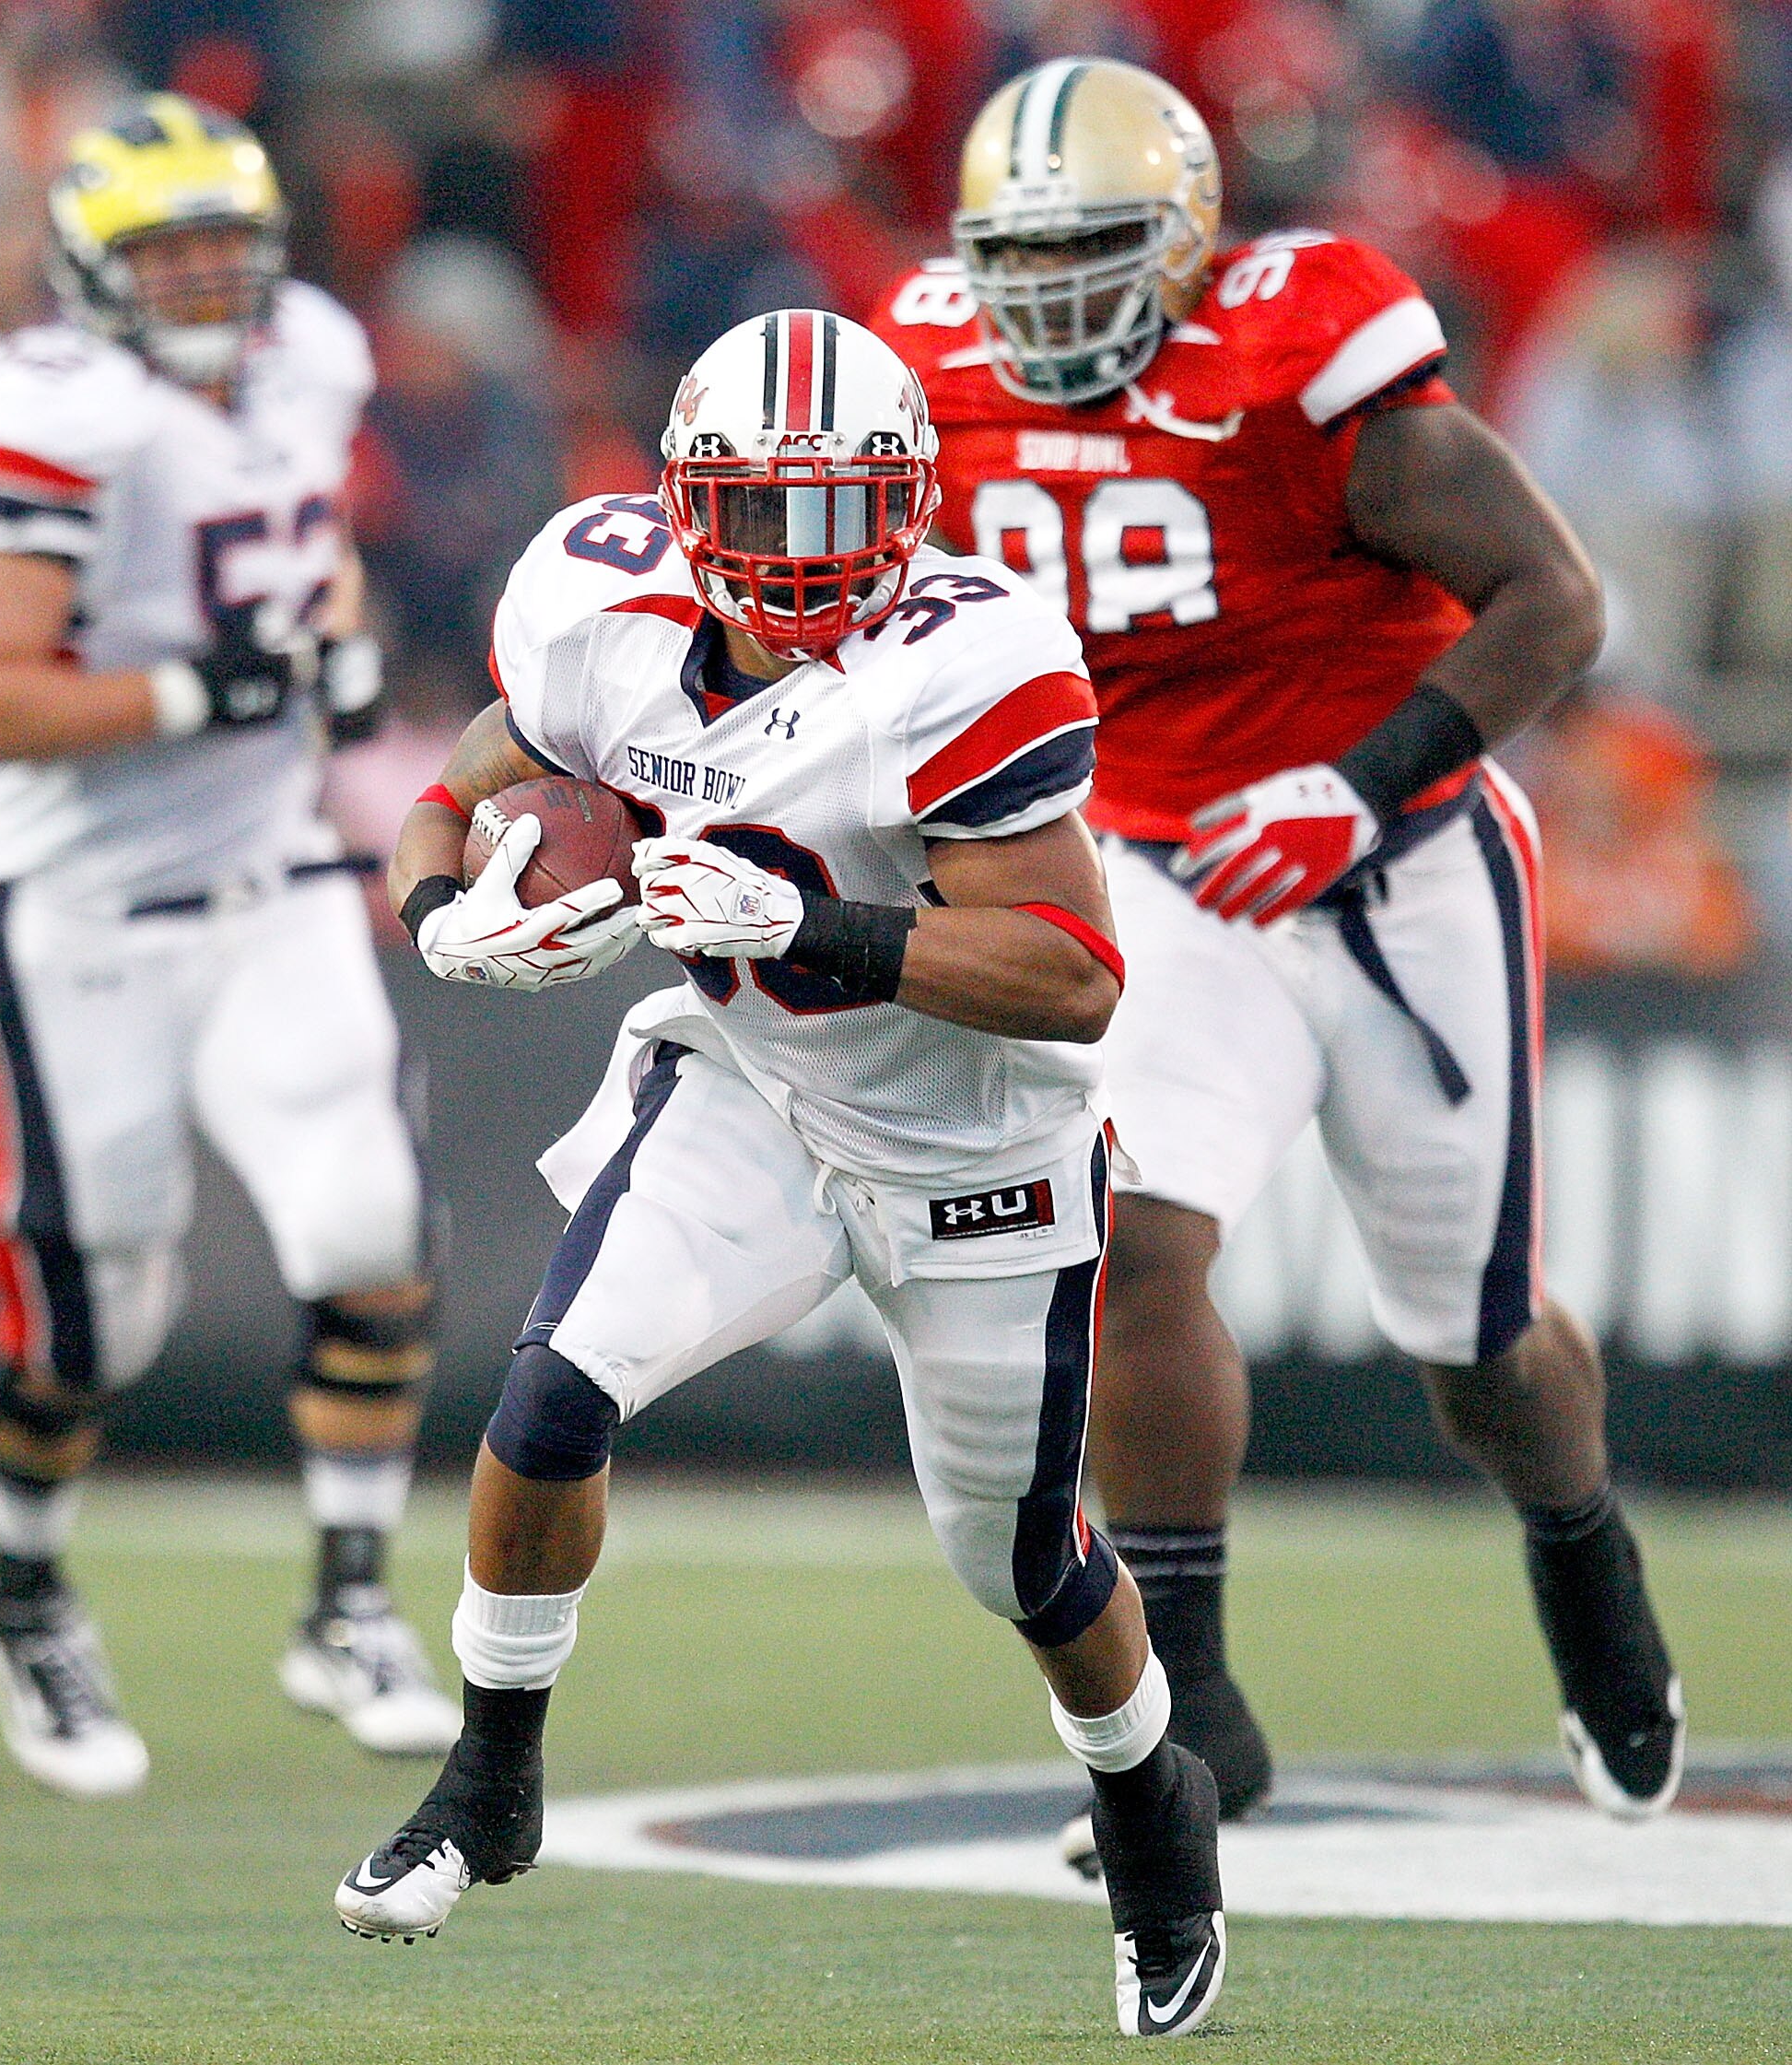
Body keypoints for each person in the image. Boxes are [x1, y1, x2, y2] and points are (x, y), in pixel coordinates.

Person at [338, 310, 1228, 2042]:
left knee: (1027, 1561)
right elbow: (448, 798)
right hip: (753, 1081)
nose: (803, 557)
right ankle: (491, 1769)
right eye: (765, 511)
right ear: (682, 504)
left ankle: (1151, 1798)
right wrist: (448, 921)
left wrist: (822, 922)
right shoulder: (601, 616)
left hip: (976, 1138)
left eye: (842, 513)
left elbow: (1074, 972)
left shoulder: (967, 662)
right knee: (547, 1399)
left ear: (908, 503)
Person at [869, 57, 1681, 1844]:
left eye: (1086, 251)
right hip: (1161, 868)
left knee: (1473, 1347)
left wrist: (1363, 779)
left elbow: (1554, 597)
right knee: (1134, 1236)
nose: (1044, 296)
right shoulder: (924, 370)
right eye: (1014, 257)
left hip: (1396, 860)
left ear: (1185, 239)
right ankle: (1203, 1705)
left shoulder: (1303, 354)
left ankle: (1581, 1547)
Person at [0, 94, 452, 1801]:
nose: (207, 276)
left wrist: (338, 657)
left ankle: (348, 1601)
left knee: (370, 1225)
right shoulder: (42, 412)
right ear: (91, 272)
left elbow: (299, 551)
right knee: (89, 1331)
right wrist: (182, 692)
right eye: (166, 250)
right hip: (73, 912)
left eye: (226, 239)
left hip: (269, 870)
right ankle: (25, 1589)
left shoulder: (312, 361)